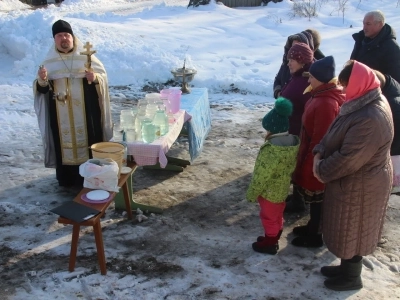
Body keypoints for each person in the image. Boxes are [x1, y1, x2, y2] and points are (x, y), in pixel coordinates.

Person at [313, 60, 393, 291]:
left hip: (363, 185)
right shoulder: (361, 102)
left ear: (357, 84)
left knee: (355, 229)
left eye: (345, 85)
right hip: (357, 182)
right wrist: (320, 150)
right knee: (349, 227)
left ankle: (351, 277)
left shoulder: (370, 116)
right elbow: (336, 131)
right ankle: (345, 268)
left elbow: (349, 158)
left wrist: (321, 168)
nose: (342, 90)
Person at [34, 19, 112, 187]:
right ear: (54, 39)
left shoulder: (86, 57)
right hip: (60, 117)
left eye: (67, 35)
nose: (64, 39)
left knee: (90, 142)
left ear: (73, 37)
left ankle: (91, 176)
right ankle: (67, 179)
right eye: (60, 36)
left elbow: (102, 79)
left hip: (87, 114)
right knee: (63, 145)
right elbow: (42, 90)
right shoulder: (49, 63)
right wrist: (42, 80)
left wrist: (95, 78)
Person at [290, 56, 345, 248]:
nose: (308, 80)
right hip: (310, 153)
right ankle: (312, 226)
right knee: (315, 199)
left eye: (311, 77)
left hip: (316, 158)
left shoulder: (326, 103)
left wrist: (310, 162)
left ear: (322, 79)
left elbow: (321, 138)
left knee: (318, 197)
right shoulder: (320, 95)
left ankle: (315, 235)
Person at [247, 97, 300, 254]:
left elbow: (261, 175)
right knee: (277, 214)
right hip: (282, 189)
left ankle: (270, 243)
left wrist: (252, 193)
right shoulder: (292, 143)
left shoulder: (271, 150)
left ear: (272, 129)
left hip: (269, 192)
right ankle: (274, 236)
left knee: (268, 216)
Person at [278, 42, 314, 212]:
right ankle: (298, 197)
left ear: (302, 60)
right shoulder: (300, 77)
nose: (288, 63)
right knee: (295, 164)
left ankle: (299, 202)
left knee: (298, 164)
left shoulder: (305, 81)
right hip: (294, 129)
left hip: (299, 131)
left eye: (292, 59)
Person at [350, 10, 400, 83]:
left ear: (379, 24)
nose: (364, 27)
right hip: (357, 88)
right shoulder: (360, 41)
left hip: (376, 92)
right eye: (363, 24)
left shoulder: (391, 47)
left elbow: (395, 80)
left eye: (368, 24)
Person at [273, 29, 324, 99]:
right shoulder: (287, 62)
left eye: (298, 46)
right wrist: (278, 93)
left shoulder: (315, 69)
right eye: (292, 46)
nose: (293, 49)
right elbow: (278, 79)